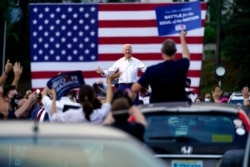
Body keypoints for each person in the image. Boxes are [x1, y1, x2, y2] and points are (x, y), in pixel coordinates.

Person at [131, 29, 190, 103]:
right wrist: (182, 37)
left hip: (158, 111)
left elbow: (134, 88)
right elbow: (186, 56)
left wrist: (142, 87)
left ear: (161, 51)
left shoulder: (152, 70)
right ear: (175, 51)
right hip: (178, 110)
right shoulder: (182, 65)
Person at [48, 72, 120, 123]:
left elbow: (54, 117)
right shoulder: (100, 114)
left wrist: (54, 96)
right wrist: (110, 81)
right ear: (93, 98)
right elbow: (108, 101)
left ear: (80, 98)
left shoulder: (71, 114)